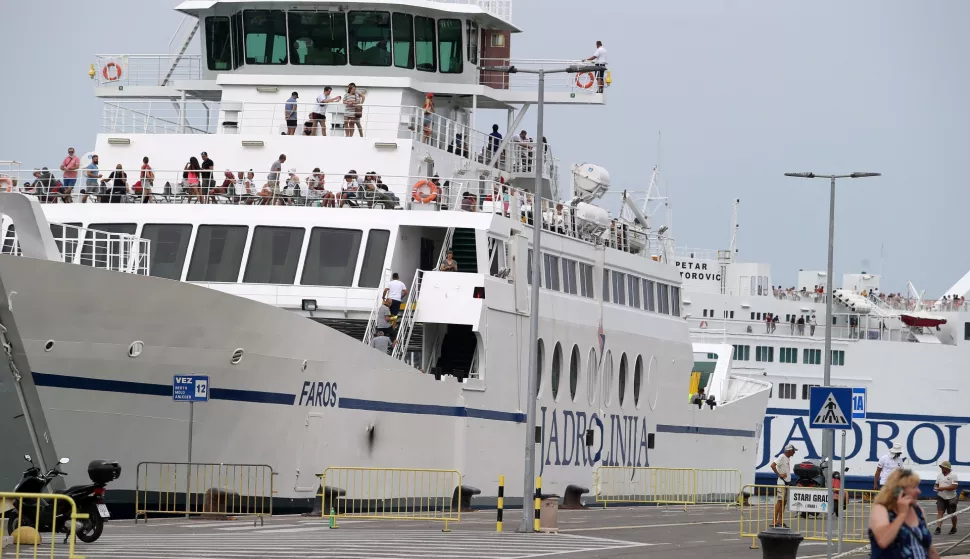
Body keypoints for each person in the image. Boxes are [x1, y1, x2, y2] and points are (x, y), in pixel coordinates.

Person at [868, 468, 940, 558]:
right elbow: (883, 540)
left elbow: (930, 550)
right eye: (914, 487)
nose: (919, 491)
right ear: (898, 491)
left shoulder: (917, 510)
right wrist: (902, 514)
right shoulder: (880, 510)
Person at [771, 444, 796, 528]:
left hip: (786, 483)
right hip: (782, 483)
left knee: (784, 502)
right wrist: (779, 474)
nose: (794, 453)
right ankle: (774, 521)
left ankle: (780, 520)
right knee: (780, 501)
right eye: (793, 451)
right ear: (789, 451)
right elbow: (772, 465)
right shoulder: (782, 456)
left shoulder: (787, 458)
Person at [934, 461, 959, 535]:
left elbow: (954, 486)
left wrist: (943, 488)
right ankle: (938, 528)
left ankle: (954, 527)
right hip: (941, 496)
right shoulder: (939, 475)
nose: (941, 468)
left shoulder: (953, 475)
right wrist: (936, 488)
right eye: (941, 467)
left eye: (943, 467)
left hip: (951, 497)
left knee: (952, 513)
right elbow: (936, 484)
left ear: (947, 468)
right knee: (940, 512)